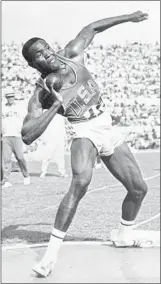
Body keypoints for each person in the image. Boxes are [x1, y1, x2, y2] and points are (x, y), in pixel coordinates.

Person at [21, 11, 149, 277]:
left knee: (138, 189)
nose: (48, 54)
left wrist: (129, 17)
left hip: (105, 123)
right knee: (80, 183)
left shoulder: (72, 54)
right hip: (82, 129)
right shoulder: (42, 90)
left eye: (47, 48)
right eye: (40, 56)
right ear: (34, 65)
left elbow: (92, 27)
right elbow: (27, 134)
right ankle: (49, 258)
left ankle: (124, 235)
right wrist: (56, 104)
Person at [2, 88, 30, 187]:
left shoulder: (20, 108)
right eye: (9, 97)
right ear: (6, 98)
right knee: (6, 159)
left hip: (17, 136)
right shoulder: (2, 108)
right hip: (6, 136)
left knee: (20, 157)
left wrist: (22, 131)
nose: (10, 99)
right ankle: (7, 180)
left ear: (14, 97)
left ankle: (26, 176)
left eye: (12, 97)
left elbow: (25, 120)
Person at [38, 113, 68, 178]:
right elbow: (43, 127)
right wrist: (43, 138)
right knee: (47, 156)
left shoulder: (60, 116)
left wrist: (65, 138)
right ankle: (43, 171)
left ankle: (62, 172)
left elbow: (63, 128)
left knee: (60, 156)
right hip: (50, 138)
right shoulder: (47, 115)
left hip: (59, 138)